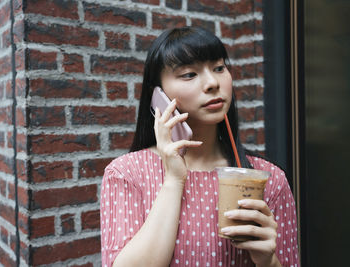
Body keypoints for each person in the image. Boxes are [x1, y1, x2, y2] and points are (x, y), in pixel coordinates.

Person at [100, 27, 299, 267]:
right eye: (189, 74)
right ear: (158, 94)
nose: (213, 83)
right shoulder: (126, 174)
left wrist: (267, 260)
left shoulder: (270, 180)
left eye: (219, 68)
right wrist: (174, 179)